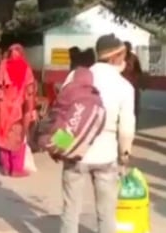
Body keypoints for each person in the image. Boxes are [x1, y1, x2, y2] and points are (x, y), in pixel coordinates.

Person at [59, 34, 135, 233]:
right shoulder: (124, 87)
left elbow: (62, 113)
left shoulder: (76, 76)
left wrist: (60, 146)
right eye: (123, 55)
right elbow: (126, 128)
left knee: (70, 210)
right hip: (106, 156)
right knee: (106, 213)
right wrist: (124, 156)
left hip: (75, 152)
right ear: (115, 57)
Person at [0, 44, 37, 177]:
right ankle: (16, 170)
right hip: (17, 110)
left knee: (2, 137)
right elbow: (29, 92)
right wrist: (30, 110)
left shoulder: (0, 68)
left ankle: (6, 167)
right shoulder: (26, 69)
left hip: (1, 109)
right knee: (17, 139)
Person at [122, 41, 143, 122]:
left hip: (133, 85)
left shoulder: (134, 58)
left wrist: (141, 83)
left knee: (135, 105)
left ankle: (134, 121)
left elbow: (139, 71)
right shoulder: (119, 58)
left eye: (128, 48)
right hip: (122, 86)